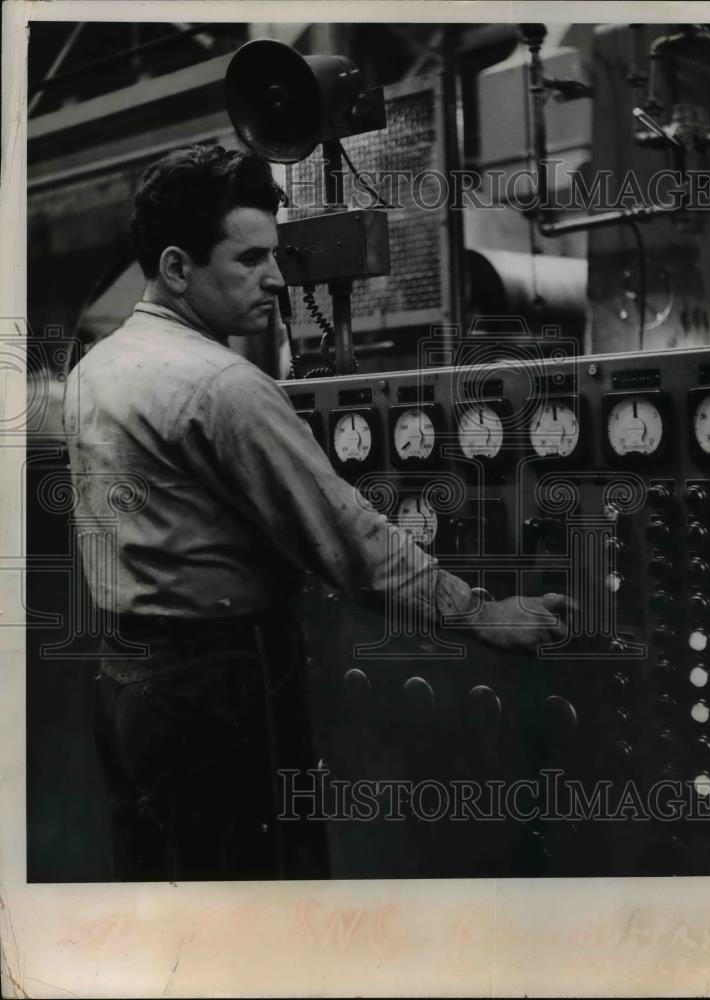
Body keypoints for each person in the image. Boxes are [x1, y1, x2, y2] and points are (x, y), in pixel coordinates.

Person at [62, 144, 573, 882]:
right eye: (247, 260)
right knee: (259, 893)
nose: (275, 278)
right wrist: (476, 613)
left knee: (165, 897)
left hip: (127, 680)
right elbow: (345, 537)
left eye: (274, 255)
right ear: (177, 268)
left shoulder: (93, 371)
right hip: (220, 684)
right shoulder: (222, 386)